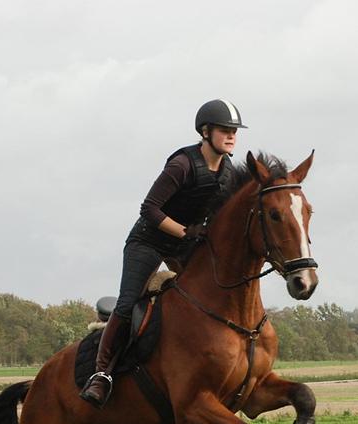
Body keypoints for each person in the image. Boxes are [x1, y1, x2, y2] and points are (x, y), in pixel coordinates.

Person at [79, 99, 246, 407]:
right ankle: (101, 374)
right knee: (128, 303)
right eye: (225, 130)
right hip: (149, 240)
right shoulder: (182, 165)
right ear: (205, 132)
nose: (231, 136)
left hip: (185, 244)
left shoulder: (227, 172)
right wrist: (185, 232)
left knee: (208, 296)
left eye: (234, 131)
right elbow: (149, 209)